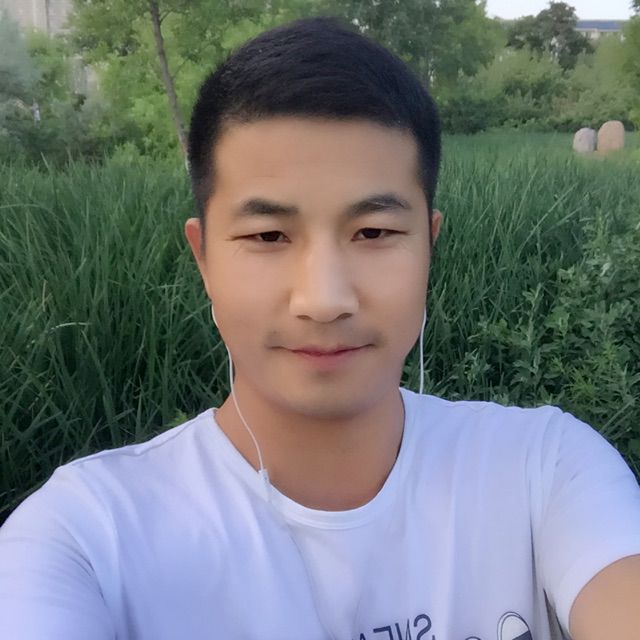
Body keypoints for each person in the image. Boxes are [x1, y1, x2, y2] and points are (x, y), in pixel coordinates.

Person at [1, 16, 639, 640]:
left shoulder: (545, 471)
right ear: (204, 259)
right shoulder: (87, 537)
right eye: (268, 236)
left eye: (374, 232)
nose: (324, 300)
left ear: (429, 245)